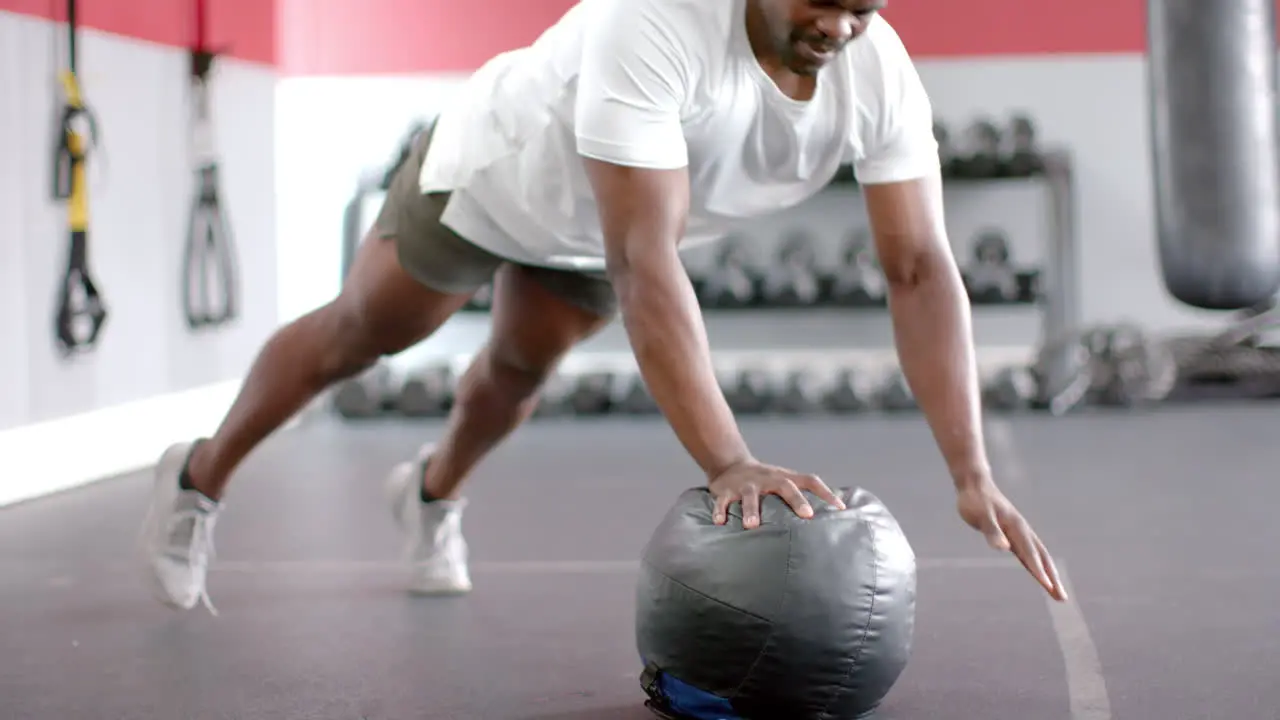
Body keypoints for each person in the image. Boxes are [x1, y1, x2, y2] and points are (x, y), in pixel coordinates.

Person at [139, 0, 1068, 614]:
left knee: (517, 372)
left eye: (861, 7)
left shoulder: (878, 72)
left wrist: (971, 471)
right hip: (502, 173)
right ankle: (198, 478)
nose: (839, 25)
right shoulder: (656, 19)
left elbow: (917, 267)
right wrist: (730, 460)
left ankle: (430, 497)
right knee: (366, 335)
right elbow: (645, 259)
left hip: (603, 224)